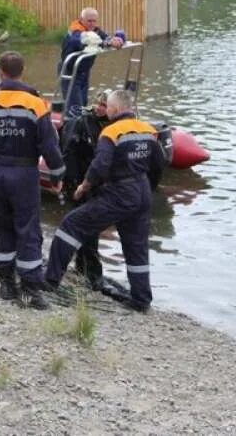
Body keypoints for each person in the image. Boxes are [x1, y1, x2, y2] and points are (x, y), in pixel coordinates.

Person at [45, 89, 166, 312]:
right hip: (142, 191)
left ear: (117, 109)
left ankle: (50, 281)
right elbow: (159, 165)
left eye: (108, 106)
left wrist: (83, 187)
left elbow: (100, 166)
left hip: (119, 191)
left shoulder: (111, 132)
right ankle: (141, 300)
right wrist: (148, 188)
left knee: (71, 225)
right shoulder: (149, 131)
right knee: (136, 247)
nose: (106, 110)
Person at [0, 51, 65, 309]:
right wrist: (57, 175)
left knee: (3, 226)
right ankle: (32, 288)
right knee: (28, 228)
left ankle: (6, 282)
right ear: (23, 71)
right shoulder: (35, 104)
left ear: (0, 73)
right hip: (25, 173)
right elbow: (49, 145)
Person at [59, 89, 113, 288]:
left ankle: (81, 265)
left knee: (88, 227)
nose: (100, 108)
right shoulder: (82, 123)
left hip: (96, 183)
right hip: (79, 181)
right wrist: (72, 184)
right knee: (87, 226)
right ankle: (91, 271)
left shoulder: (112, 125)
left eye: (105, 106)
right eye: (99, 104)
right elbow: (68, 153)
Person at [58, 7, 124, 119]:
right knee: (75, 107)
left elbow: (104, 37)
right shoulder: (75, 30)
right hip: (70, 71)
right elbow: (82, 41)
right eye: (89, 21)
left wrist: (115, 40)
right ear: (81, 20)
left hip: (84, 71)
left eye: (94, 21)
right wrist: (106, 43)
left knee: (83, 102)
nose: (92, 24)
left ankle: (85, 126)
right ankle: (72, 131)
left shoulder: (95, 30)